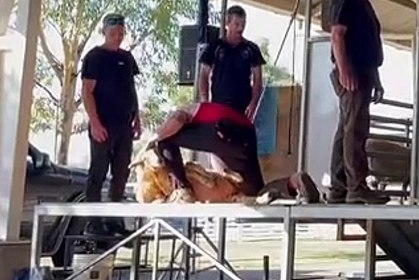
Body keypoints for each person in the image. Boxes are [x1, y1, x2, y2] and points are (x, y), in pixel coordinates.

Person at [148, 101, 320, 203]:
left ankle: (183, 190)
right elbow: (219, 153)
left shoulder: (185, 110)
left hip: (222, 129)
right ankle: (293, 182)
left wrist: (155, 137)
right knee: (254, 192)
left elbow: (178, 119)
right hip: (245, 134)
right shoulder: (211, 110)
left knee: (164, 139)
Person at [328, 0, 390, 203]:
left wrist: (375, 77)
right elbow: (337, 35)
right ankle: (356, 185)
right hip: (351, 70)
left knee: (347, 129)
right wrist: (344, 70)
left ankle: (339, 186)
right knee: (355, 129)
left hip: (363, 70)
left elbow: (368, 46)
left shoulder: (363, 3)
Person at [80, 14, 141, 203]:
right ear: (105, 32)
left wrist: (137, 118)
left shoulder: (127, 58)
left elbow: (131, 89)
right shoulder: (94, 57)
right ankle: (93, 221)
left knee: (122, 172)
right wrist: (95, 123)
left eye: (121, 33)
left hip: (124, 124)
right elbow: (87, 91)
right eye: (113, 33)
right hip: (103, 123)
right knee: (98, 171)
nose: (117, 37)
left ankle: (114, 219)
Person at [199, 5, 266, 120]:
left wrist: (253, 103)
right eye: (236, 24)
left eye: (243, 24)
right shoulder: (215, 47)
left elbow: (258, 80)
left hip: (243, 109)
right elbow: (204, 75)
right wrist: (205, 101)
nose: (240, 28)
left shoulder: (251, 49)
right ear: (227, 23)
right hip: (219, 106)